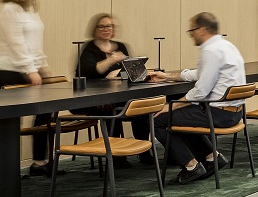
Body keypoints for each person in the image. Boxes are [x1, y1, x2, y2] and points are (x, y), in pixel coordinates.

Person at [147, 12, 247, 183]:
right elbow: (200, 74)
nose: (191, 34)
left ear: (202, 30)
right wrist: (167, 76)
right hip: (234, 113)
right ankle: (212, 157)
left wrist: (171, 105)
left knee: (158, 120)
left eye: (191, 30)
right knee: (183, 118)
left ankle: (191, 166)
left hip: (219, 114)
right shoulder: (226, 46)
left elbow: (201, 90)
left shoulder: (211, 50)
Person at [0, 0, 51, 174]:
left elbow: (33, 43)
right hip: (9, 70)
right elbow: (15, 43)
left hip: (29, 68)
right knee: (11, 121)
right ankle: (5, 168)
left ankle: (40, 162)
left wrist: (43, 64)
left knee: (45, 113)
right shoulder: (10, 9)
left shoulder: (29, 9)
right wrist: (30, 70)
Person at [75, 13, 146, 164]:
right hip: (94, 98)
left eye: (109, 26)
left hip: (120, 94)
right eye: (102, 26)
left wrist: (115, 73)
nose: (106, 29)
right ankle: (115, 155)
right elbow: (89, 71)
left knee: (140, 106)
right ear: (95, 29)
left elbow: (128, 70)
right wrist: (110, 61)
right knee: (109, 107)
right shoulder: (89, 49)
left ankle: (144, 151)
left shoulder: (120, 46)